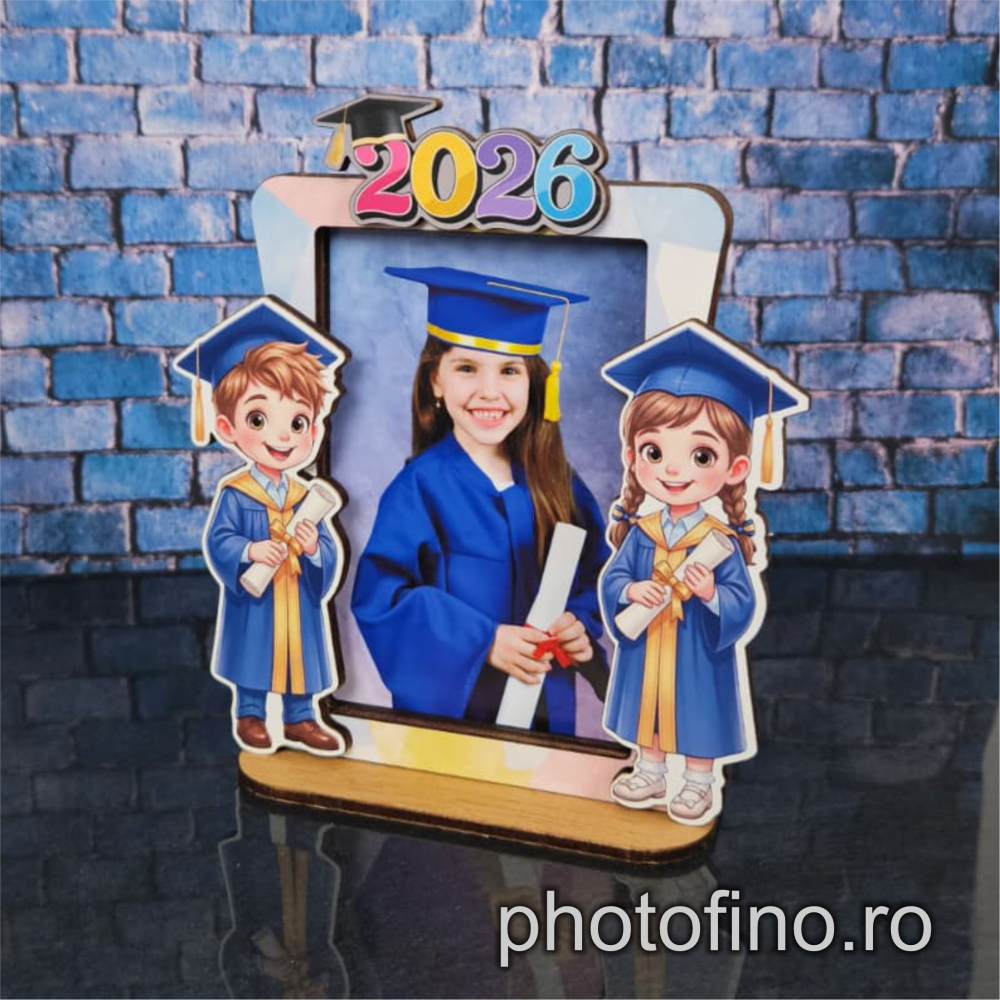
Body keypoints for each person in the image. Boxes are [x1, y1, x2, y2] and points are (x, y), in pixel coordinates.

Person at [351, 266, 609, 734]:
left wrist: (581, 624)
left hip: (547, 720)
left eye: (509, 371)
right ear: (435, 380)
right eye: (467, 368)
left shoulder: (557, 481)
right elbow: (382, 600)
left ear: (533, 383)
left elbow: (599, 574)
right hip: (454, 730)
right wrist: (482, 641)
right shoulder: (418, 489)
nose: (490, 391)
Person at [600, 322, 804, 822]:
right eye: (654, 452)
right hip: (649, 639)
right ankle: (650, 770)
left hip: (695, 646)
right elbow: (612, 580)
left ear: (736, 468)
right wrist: (631, 589)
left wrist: (712, 592)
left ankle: (698, 781)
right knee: (647, 705)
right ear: (632, 458)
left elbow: (743, 602)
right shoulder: (642, 532)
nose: (673, 470)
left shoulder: (720, 543)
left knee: (697, 707)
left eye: (700, 455)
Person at [174, 297, 347, 755]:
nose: (283, 435)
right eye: (258, 418)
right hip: (257, 597)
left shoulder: (306, 500)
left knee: (300, 654)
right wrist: (249, 551)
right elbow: (219, 540)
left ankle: (300, 717)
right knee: (254, 651)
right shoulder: (236, 493)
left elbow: (329, 558)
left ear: (314, 430)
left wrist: (314, 549)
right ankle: (249, 712)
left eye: (298, 421)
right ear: (227, 427)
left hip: (297, 598)